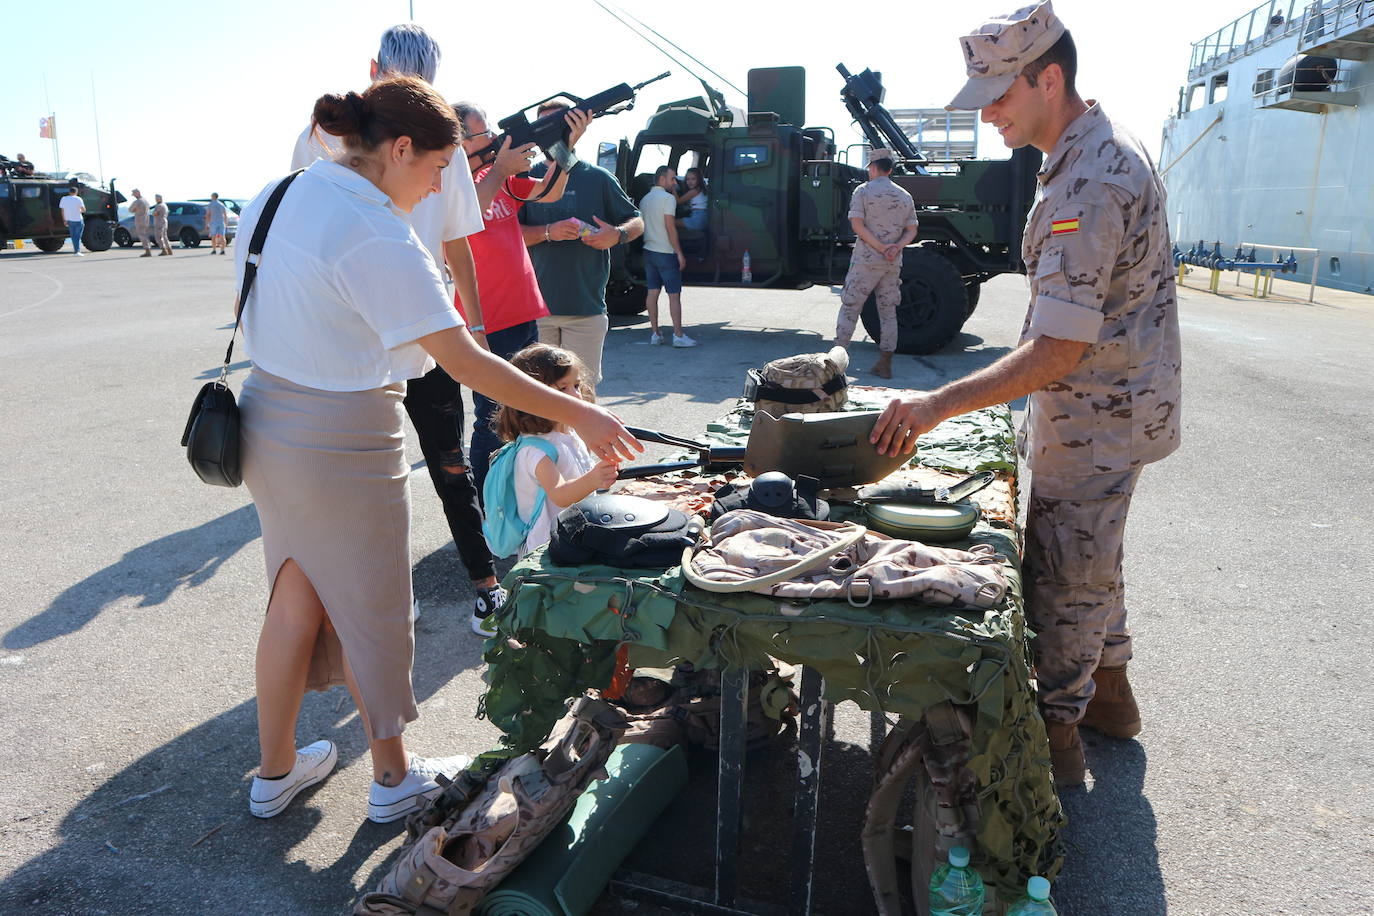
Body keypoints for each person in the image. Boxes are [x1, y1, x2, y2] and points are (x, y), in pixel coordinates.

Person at [237, 76, 640, 824]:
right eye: (433, 173)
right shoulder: (374, 230)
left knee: (293, 596)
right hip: (343, 436)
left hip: (266, 420)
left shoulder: (280, 191)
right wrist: (578, 415)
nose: (433, 193)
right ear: (398, 149)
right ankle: (393, 782)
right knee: (375, 612)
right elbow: (468, 363)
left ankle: (275, 771)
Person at [870, 0, 1182, 788]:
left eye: (1000, 97)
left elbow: (1059, 347)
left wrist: (936, 406)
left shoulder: (1088, 180)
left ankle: (1054, 748)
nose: (990, 117)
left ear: (1049, 79)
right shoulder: (1090, 152)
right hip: (1110, 403)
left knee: (1065, 571)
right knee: (1094, 554)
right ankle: (1113, 699)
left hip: (1098, 415)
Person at [291, 23, 503, 634]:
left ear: (374, 65)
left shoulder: (322, 137)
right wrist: (476, 322)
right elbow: (459, 243)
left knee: (371, 475)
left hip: (348, 327)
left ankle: (387, 596)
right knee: (446, 462)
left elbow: (298, 236)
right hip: (419, 321)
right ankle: (482, 586)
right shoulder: (436, 137)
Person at [453, 100, 590, 506]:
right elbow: (464, 216)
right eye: (483, 133)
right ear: (459, 140)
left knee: (522, 410)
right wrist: (497, 170)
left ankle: (518, 492)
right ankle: (490, 504)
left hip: (521, 310)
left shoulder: (497, 174)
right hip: (486, 318)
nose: (494, 138)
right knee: (492, 416)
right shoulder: (452, 181)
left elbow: (551, 192)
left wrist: (565, 146)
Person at [519, 99, 645, 384]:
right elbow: (508, 235)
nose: (551, 133)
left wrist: (618, 234)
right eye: (543, 126)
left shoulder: (598, 179)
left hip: (586, 311)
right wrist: (548, 231)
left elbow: (636, 221)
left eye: (560, 125)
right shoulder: (524, 178)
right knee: (538, 396)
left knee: (583, 396)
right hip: (536, 311)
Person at [492, 344, 619, 557]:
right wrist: (594, 478)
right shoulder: (535, 450)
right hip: (548, 551)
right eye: (562, 389)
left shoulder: (569, 433)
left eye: (576, 386)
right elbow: (560, 494)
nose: (576, 396)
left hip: (575, 536)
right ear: (532, 395)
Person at [833, 148, 918, 379]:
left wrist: (880, 248)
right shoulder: (904, 195)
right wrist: (895, 247)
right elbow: (912, 229)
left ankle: (834, 366)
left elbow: (857, 225)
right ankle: (885, 363)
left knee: (850, 307)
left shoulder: (863, 191)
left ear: (872, 167)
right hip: (892, 263)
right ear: (890, 169)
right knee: (888, 311)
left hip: (866, 261)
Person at [639, 166, 695, 347]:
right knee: (673, 295)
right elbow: (670, 227)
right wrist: (679, 253)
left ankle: (655, 334)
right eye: (672, 179)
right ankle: (678, 335)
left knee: (652, 292)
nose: (674, 182)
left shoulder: (644, 200)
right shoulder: (668, 199)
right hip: (665, 253)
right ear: (662, 179)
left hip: (649, 251)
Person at [675, 167, 708, 232]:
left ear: (699, 180)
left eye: (693, 179)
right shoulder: (702, 189)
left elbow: (678, 201)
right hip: (703, 218)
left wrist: (673, 189)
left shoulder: (695, 191)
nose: (690, 182)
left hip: (697, 219)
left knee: (671, 222)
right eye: (688, 179)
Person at [58, 187, 85, 257]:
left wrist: (64, 220)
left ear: (69, 192)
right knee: (78, 236)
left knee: (73, 236)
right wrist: (79, 211)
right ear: (76, 192)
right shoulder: (78, 199)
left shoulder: (64, 199)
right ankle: (77, 251)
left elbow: (62, 211)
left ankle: (76, 251)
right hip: (79, 219)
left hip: (69, 220)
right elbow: (83, 210)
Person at [128, 188, 152, 257]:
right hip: (146, 220)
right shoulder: (146, 201)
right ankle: (148, 249)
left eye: (134, 194)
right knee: (145, 235)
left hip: (139, 220)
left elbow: (130, 209)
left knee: (142, 235)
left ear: (138, 193)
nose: (134, 196)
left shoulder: (137, 202)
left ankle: (147, 251)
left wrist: (135, 210)